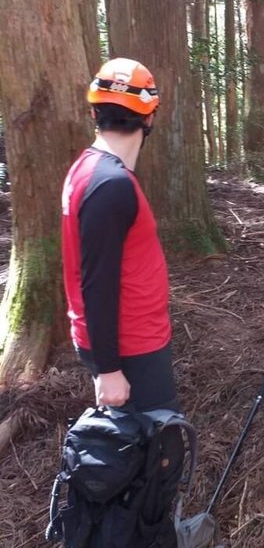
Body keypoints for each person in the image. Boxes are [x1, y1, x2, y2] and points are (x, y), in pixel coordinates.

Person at [61, 57, 179, 413]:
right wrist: (109, 369)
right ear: (150, 117)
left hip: (127, 341)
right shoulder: (111, 184)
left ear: (95, 115)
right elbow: (97, 281)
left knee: (133, 450)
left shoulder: (89, 170)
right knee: (155, 453)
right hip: (132, 347)